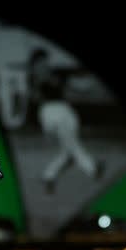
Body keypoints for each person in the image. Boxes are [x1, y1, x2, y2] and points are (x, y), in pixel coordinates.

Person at [27, 47, 103, 194]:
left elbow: (78, 87)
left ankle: (48, 175)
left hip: (61, 111)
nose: (43, 63)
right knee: (71, 145)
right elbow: (35, 96)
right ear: (35, 63)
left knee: (68, 149)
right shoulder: (35, 77)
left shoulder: (54, 74)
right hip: (52, 112)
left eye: (44, 60)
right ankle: (93, 168)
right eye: (40, 61)